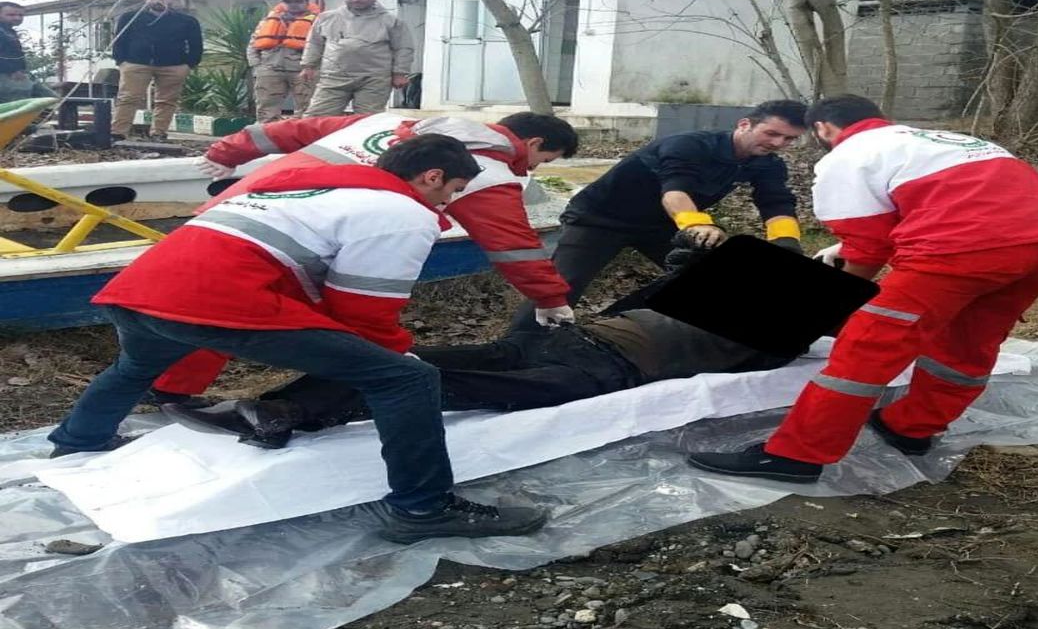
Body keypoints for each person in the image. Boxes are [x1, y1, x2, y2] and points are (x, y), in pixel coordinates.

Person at [46, 133, 547, 544]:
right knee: (407, 379)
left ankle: (78, 443)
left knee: (135, 367)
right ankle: (423, 508)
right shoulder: (400, 211)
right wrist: (394, 354)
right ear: (431, 176)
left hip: (140, 289)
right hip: (212, 298)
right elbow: (364, 310)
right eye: (452, 189)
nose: (449, 202)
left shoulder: (303, 187)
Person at [687, 95, 1038, 484]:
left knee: (868, 347)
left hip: (960, 251)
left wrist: (815, 308)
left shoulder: (849, 154)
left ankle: (794, 456)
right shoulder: (945, 142)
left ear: (822, 129)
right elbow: (935, 208)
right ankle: (911, 427)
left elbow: (868, 250)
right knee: (968, 341)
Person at [162, 248, 798, 449]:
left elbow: (773, 355)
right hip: (574, 345)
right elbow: (655, 290)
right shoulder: (704, 306)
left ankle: (284, 412)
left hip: (603, 364)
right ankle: (269, 406)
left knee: (432, 379)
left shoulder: (756, 333)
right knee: (421, 364)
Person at [146, 111, 580, 402]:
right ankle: (323, 393)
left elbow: (292, 130)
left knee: (202, 304)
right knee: (255, 315)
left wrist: (230, 151)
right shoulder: (488, 172)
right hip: (309, 241)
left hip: (243, 208)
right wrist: (550, 299)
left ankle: (159, 386)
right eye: (544, 158)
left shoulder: (392, 120)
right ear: (534, 141)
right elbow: (514, 247)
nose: (535, 168)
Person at [509, 100, 808, 331]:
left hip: (660, 226)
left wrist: (787, 245)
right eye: (772, 134)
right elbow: (675, 191)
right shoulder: (689, 145)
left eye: (789, 139)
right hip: (599, 220)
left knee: (718, 277)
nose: (778, 144)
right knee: (561, 286)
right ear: (745, 124)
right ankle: (518, 345)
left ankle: (676, 333)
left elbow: (776, 202)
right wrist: (699, 226)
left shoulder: (767, 163)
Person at [301, 0, 414, 116]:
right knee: (316, 117)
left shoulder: (390, 20)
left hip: (374, 78)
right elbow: (314, 43)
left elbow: (403, 47)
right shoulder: (326, 18)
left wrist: (400, 73)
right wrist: (308, 66)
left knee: (367, 120)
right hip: (333, 77)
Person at [111, 0, 203, 142]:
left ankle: (159, 133)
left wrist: (188, 65)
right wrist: (121, 61)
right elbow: (119, 41)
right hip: (136, 63)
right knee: (129, 98)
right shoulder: (130, 18)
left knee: (166, 101)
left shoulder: (186, 21)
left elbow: (196, 45)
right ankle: (118, 133)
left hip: (174, 66)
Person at [247, 0, 320, 122]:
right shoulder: (267, 21)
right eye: (288, 1)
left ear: (306, 3)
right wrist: (256, 66)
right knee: (266, 108)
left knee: (308, 107)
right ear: (282, 3)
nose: (293, 4)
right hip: (270, 68)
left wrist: (315, 67)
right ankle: (267, 137)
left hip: (303, 70)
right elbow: (253, 44)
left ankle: (303, 138)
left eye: (297, 1)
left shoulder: (318, 22)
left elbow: (324, 45)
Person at [0, 1, 57, 105]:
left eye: (20, 15)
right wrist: (12, 70)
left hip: (19, 74)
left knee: (50, 98)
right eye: (11, 15)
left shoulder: (8, 31)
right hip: (7, 76)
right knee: (17, 106)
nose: (17, 18)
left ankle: (34, 120)